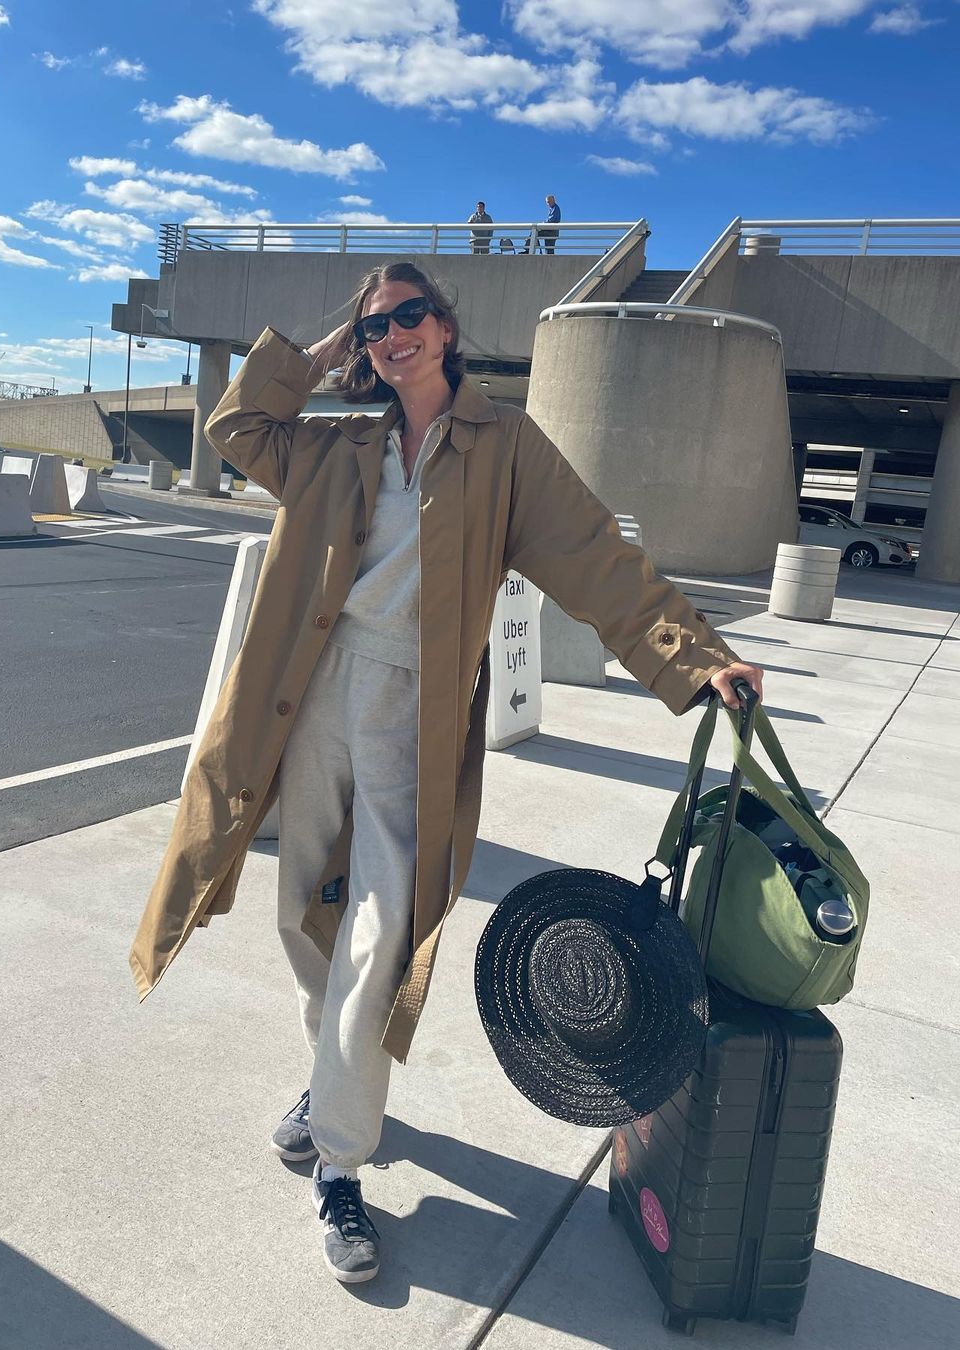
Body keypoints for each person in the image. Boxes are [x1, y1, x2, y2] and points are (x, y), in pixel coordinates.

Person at [128, 261, 764, 1286]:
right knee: (303, 915)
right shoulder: (340, 443)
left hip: (410, 715)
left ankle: (340, 1163)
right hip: (309, 695)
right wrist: (318, 352)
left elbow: (597, 558)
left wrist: (697, 659)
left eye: (411, 315)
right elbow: (236, 427)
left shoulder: (505, 447)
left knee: (381, 934)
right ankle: (333, 1080)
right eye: (375, 327)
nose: (395, 336)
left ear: (449, 327)